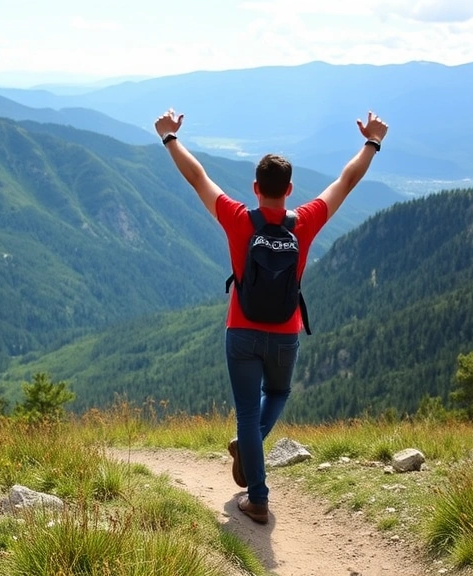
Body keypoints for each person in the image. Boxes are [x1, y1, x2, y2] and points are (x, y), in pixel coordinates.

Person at [153, 108, 389, 524]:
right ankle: (250, 456)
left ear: (256, 187)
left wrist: (170, 137)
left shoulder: (239, 218)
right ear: (290, 188)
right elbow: (346, 181)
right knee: (277, 394)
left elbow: (197, 177)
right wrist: (372, 142)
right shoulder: (307, 220)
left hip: (241, 331)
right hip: (285, 334)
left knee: (246, 412)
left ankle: (257, 497)